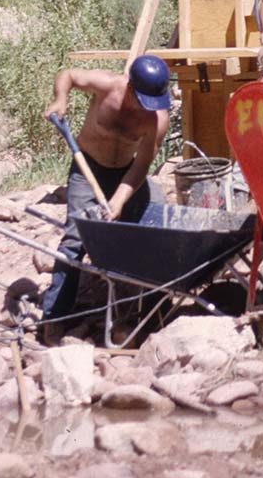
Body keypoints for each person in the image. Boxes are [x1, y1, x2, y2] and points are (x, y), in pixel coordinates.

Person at [37, 54, 174, 335]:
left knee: (160, 224)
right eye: (143, 101)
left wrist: (119, 200)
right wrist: (60, 100)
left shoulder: (157, 121)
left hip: (125, 174)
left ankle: (155, 313)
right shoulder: (108, 86)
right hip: (87, 169)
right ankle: (53, 318)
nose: (148, 109)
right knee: (77, 237)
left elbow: (141, 166)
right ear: (131, 88)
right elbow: (68, 75)